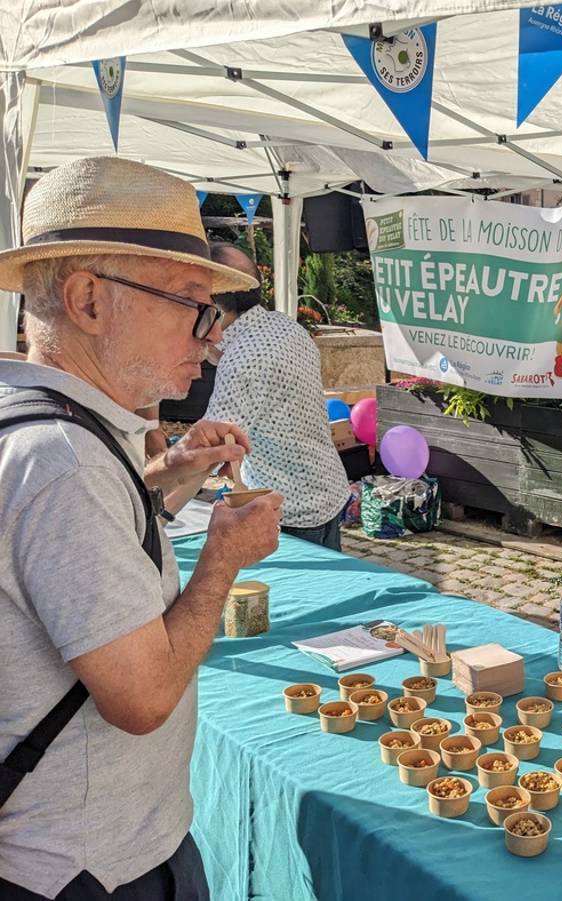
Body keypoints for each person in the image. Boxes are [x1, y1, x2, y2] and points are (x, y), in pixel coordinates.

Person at [0, 156, 283, 899]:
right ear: (89, 300)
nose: (210, 337)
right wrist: (223, 558)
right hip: (86, 868)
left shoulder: (50, 425)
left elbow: (80, 553)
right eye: (192, 304)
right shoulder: (63, 460)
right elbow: (143, 696)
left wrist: (167, 475)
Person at [203, 243, 350, 550]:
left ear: (213, 305)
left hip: (288, 507)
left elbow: (210, 449)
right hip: (327, 488)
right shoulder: (287, 327)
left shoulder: (241, 361)